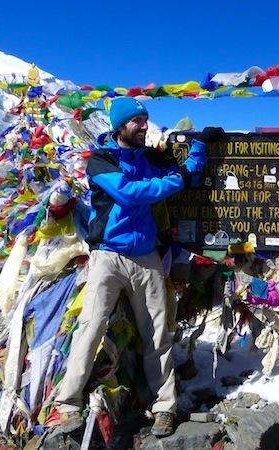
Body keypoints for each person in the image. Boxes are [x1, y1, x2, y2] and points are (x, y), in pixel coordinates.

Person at [50, 96, 224, 438]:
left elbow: (187, 176)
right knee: (91, 327)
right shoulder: (102, 160)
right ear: (120, 126)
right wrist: (174, 179)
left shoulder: (150, 158)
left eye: (146, 120)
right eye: (137, 121)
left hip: (146, 256)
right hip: (108, 256)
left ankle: (165, 407)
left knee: (158, 332)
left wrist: (199, 146)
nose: (144, 126)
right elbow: (129, 193)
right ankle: (67, 403)